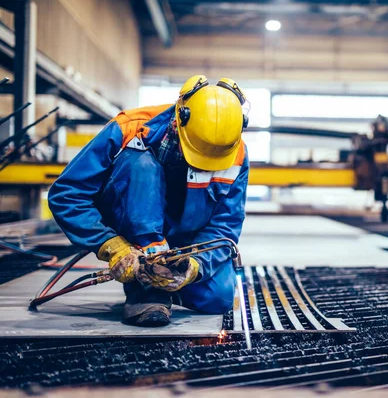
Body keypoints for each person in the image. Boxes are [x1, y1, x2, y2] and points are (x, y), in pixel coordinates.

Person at [48, 76, 250, 327]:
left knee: (217, 297)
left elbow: (225, 224)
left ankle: (160, 278)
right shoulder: (127, 129)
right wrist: (111, 246)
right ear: (179, 120)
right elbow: (67, 194)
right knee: (141, 165)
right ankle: (146, 289)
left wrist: (193, 268)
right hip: (132, 231)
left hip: (184, 241)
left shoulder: (233, 152)